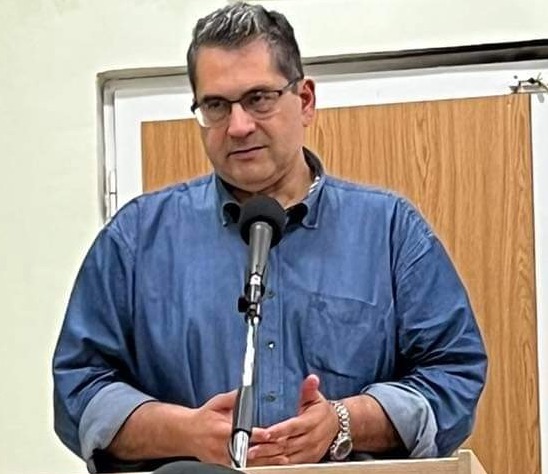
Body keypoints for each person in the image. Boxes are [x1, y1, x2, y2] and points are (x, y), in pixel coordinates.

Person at [52, 2, 488, 473]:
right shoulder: (136, 239)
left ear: (305, 101)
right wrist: (185, 431)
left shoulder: (390, 231)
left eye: (259, 98)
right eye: (216, 106)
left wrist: (346, 422)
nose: (238, 126)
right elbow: (80, 387)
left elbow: (454, 375)